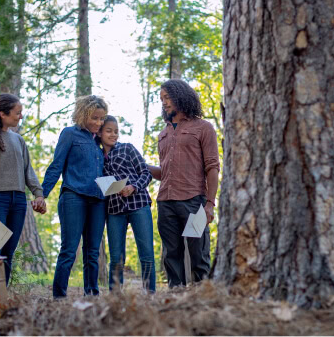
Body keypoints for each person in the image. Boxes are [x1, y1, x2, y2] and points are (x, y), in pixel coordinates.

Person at [148, 79, 220, 288]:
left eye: (167, 97)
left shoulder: (203, 128)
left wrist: (209, 203)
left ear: (180, 95)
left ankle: (203, 299)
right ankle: (175, 296)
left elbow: (212, 167)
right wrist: (142, 166)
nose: (164, 102)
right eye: (161, 99)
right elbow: (165, 173)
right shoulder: (163, 134)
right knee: (171, 256)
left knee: (199, 256)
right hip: (166, 203)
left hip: (194, 201)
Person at [0, 93, 47, 286]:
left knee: (8, 252)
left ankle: (2, 298)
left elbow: (28, 170)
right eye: (17, 113)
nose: (20, 116)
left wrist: (38, 193)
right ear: (3, 114)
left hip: (19, 202)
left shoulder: (18, 140)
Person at [42, 95, 108, 298]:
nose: (98, 123)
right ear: (83, 114)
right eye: (94, 118)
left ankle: (92, 294)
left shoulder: (100, 141)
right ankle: (59, 296)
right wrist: (41, 194)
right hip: (74, 197)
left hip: (98, 201)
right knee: (69, 249)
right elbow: (56, 165)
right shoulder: (70, 134)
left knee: (93, 252)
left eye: (101, 119)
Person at [97, 115, 155, 293]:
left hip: (139, 204)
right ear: (99, 133)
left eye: (116, 131)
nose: (113, 135)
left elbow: (146, 172)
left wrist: (133, 186)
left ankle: (150, 293)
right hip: (114, 209)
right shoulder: (97, 156)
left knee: (146, 254)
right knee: (116, 257)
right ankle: (115, 295)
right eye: (109, 131)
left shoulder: (127, 148)